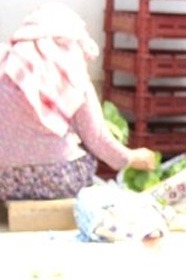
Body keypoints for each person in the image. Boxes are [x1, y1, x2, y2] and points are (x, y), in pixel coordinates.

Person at [0, 2, 156, 201]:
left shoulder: (6, 63)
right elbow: (97, 140)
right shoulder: (71, 71)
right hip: (55, 180)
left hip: (3, 182)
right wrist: (132, 158)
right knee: (87, 157)